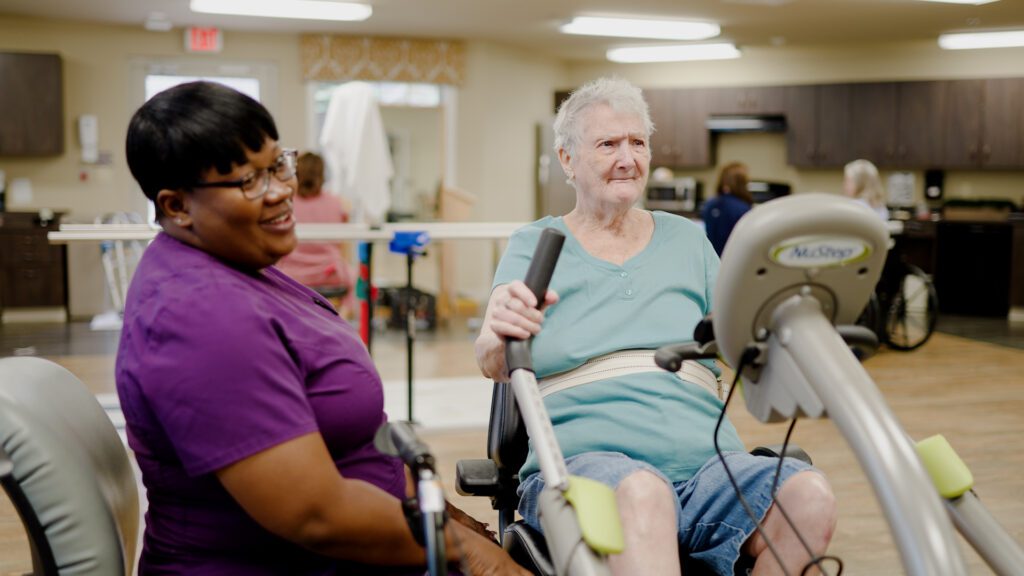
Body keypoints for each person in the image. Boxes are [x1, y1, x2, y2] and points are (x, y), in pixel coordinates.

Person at [117, 81, 529, 576]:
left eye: (277, 165)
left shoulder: (246, 264)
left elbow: (347, 446)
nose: (283, 191)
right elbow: (318, 517)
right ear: (177, 206)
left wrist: (448, 518)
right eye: (250, 181)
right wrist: (469, 555)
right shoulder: (199, 317)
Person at [474, 77, 836, 576]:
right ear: (567, 160)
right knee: (644, 492)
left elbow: (747, 350)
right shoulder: (535, 243)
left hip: (711, 470)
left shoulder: (687, 240)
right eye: (607, 144)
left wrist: (790, 333)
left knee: (807, 495)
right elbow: (492, 359)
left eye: (637, 143)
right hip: (582, 472)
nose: (628, 158)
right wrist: (500, 330)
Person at [276, 151, 356, 317]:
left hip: (292, 275)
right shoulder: (339, 204)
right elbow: (344, 249)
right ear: (322, 174)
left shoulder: (285, 202)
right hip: (330, 275)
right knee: (353, 276)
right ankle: (341, 320)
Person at [701, 161, 753, 256]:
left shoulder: (709, 204)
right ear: (742, 183)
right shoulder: (743, 208)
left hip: (713, 260)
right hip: (734, 261)